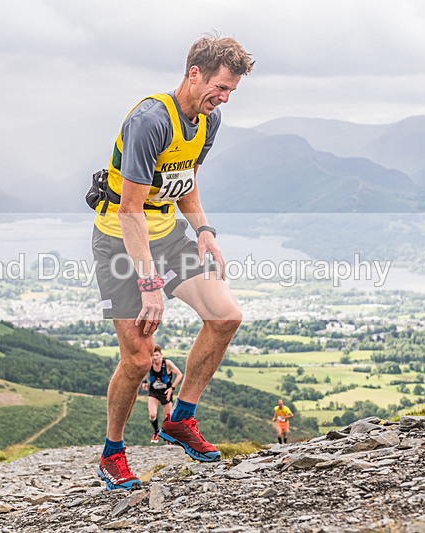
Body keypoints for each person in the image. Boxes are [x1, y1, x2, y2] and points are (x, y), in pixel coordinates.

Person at [92, 33, 253, 490]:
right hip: (121, 242)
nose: (222, 99)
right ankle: (112, 453)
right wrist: (149, 283)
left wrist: (203, 231)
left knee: (225, 316)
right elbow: (129, 211)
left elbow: (187, 181)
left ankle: (180, 419)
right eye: (218, 88)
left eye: (230, 93)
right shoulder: (150, 121)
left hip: (170, 237)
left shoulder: (208, 120)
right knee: (140, 358)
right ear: (194, 73)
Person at [141, 345, 183, 443]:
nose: (155, 357)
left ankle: (168, 438)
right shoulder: (149, 363)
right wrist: (144, 382)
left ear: (161, 355)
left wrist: (172, 388)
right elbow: (144, 372)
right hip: (154, 392)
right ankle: (156, 432)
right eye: (153, 355)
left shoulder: (167, 363)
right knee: (152, 414)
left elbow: (179, 374)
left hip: (166, 392)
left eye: (156, 355)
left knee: (167, 418)